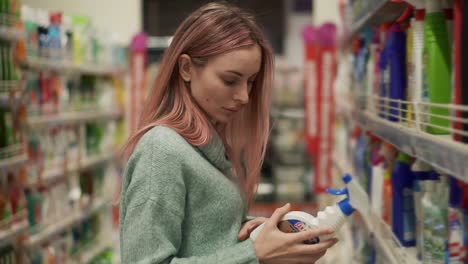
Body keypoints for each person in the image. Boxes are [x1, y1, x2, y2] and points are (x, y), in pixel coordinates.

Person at [119, 2, 338, 263]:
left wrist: (255, 233)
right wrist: (253, 253)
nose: (244, 96)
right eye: (230, 80)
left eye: (250, 82)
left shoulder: (208, 146)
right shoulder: (161, 149)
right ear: (186, 68)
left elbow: (202, 235)